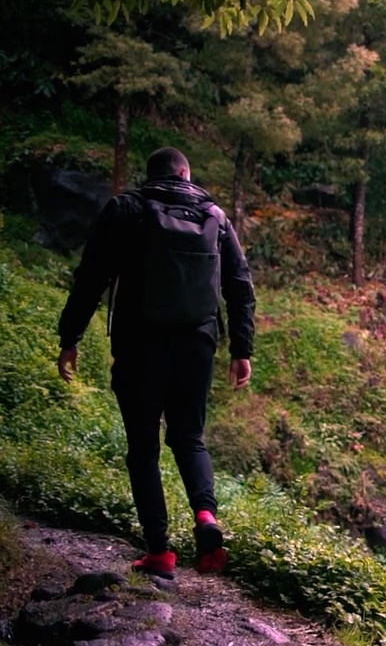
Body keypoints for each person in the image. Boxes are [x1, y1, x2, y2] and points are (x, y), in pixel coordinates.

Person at [56, 147, 256, 580]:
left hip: (139, 342)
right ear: (185, 173)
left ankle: (160, 552)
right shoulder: (215, 217)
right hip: (197, 343)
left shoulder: (126, 209)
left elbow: (91, 277)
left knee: (143, 446)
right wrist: (242, 350)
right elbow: (240, 285)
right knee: (189, 438)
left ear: (152, 175)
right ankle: (205, 519)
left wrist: (69, 337)